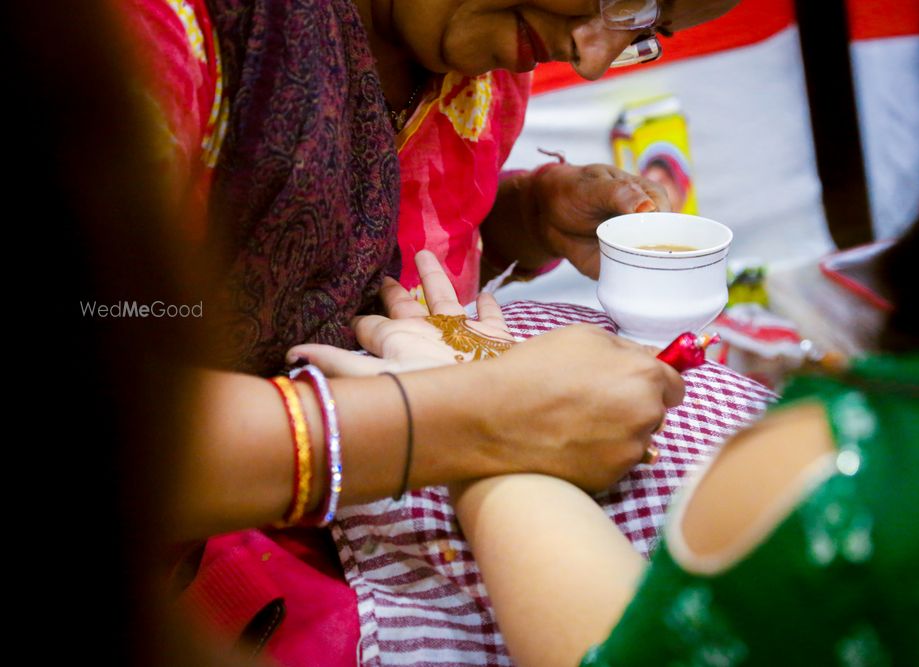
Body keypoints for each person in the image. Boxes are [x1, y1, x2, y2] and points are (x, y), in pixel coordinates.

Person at [110, 0, 739, 663]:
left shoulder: (488, 59)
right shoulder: (155, 34)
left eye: (646, 31)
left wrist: (524, 221)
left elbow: (360, 271)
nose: (591, 58)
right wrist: (467, 422)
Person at [449, 4, 919, 664]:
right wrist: (525, 216)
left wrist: (472, 430)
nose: (592, 62)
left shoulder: (836, 470)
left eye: (647, 27)